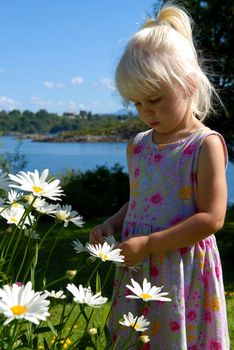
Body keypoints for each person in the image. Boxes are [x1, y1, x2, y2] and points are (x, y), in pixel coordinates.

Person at [90, 2, 230, 349]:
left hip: (180, 268)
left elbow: (212, 218)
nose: (146, 111)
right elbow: (139, 202)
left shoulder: (204, 144)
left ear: (188, 83)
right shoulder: (137, 146)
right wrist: (113, 223)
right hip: (137, 268)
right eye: (136, 103)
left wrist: (151, 244)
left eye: (154, 98)